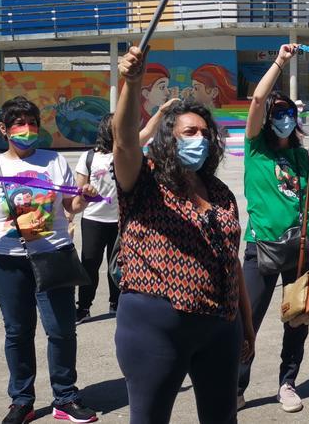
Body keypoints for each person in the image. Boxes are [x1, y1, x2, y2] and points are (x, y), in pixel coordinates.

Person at [112, 46, 255, 423]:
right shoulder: (145, 183)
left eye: (206, 133)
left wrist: (245, 324)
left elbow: (231, 260)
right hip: (156, 324)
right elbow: (125, 141)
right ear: (168, 139)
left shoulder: (219, 192)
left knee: (222, 418)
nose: (200, 139)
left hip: (220, 325)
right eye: (189, 132)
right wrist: (129, 83)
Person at [0, 96, 98, 424]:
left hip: (54, 255)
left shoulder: (54, 161)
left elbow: (69, 207)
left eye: (32, 123)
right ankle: (22, 400)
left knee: (61, 330)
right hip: (4, 262)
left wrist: (82, 199)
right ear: (4, 129)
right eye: (19, 124)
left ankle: (66, 397)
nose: (27, 130)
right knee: (18, 332)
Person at [236, 43, 309, 413]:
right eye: (277, 112)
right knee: (246, 320)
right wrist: (281, 62)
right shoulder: (255, 149)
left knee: (297, 318)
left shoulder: (302, 155)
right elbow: (256, 100)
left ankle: (287, 382)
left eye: (288, 112)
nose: (283, 118)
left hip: (300, 248)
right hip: (260, 247)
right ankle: (236, 386)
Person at [73, 115, 121, 323]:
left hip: (120, 220)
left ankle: (117, 303)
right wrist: (70, 216)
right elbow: (78, 191)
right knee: (90, 264)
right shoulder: (89, 158)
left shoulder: (126, 154)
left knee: (117, 265)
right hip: (94, 219)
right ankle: (83, 307)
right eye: (115, 127)